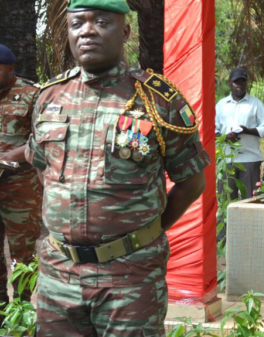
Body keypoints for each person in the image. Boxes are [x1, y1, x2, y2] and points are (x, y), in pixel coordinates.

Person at [25, 0, 210, 335]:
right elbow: (43, 169)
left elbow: (192, 181)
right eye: (77, 23)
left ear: (125, 31)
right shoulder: (49, 97)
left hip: (130, 277)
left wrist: (149, 231)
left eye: (101, 22)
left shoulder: (159, 101)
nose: (87, 32)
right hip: (59, 276)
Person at [0, 44, 41, 306]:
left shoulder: (31, 94)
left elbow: (43, 140)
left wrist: (6, 157)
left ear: (11, 69)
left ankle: (23, 310)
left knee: (23, 254)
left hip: (20, 186)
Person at [215, 67, 264, 199]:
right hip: (227, 160)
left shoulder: (255, 104)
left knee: (252, 201)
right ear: (230, 83)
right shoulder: (221, 105)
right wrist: (225, 137)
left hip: (250, 159)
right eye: (236, 82)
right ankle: (226, 221)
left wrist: (248, 131)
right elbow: (213, 130)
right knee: (226, 201)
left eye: (243, 82)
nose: (240, 85)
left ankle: (251, 221)